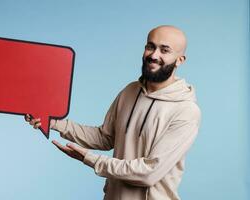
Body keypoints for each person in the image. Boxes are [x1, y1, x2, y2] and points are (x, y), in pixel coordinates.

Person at [25, 25, 201, 200]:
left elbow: (149, 173)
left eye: (165, 50)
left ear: (180, 60)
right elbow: (105, 137)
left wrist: (92, 160)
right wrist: (53, 122)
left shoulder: (186, 111)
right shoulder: (130, 91)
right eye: (150, 46)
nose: (154, 55)